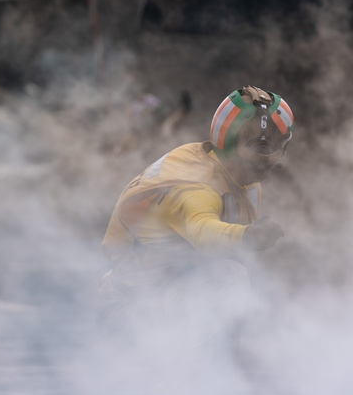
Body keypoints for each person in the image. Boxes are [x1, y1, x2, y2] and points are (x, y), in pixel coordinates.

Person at [98, 85, 295, 328]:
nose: (273, 156)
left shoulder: (238, 178)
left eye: (277, 144)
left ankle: (215, 355)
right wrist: (248, 236)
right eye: (264, 145)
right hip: (131, 309)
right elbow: (203, 231)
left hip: (159, 291)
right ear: (232, 142)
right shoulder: (196, 185)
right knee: (229, 276)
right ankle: (205, 362)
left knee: (241, 286)